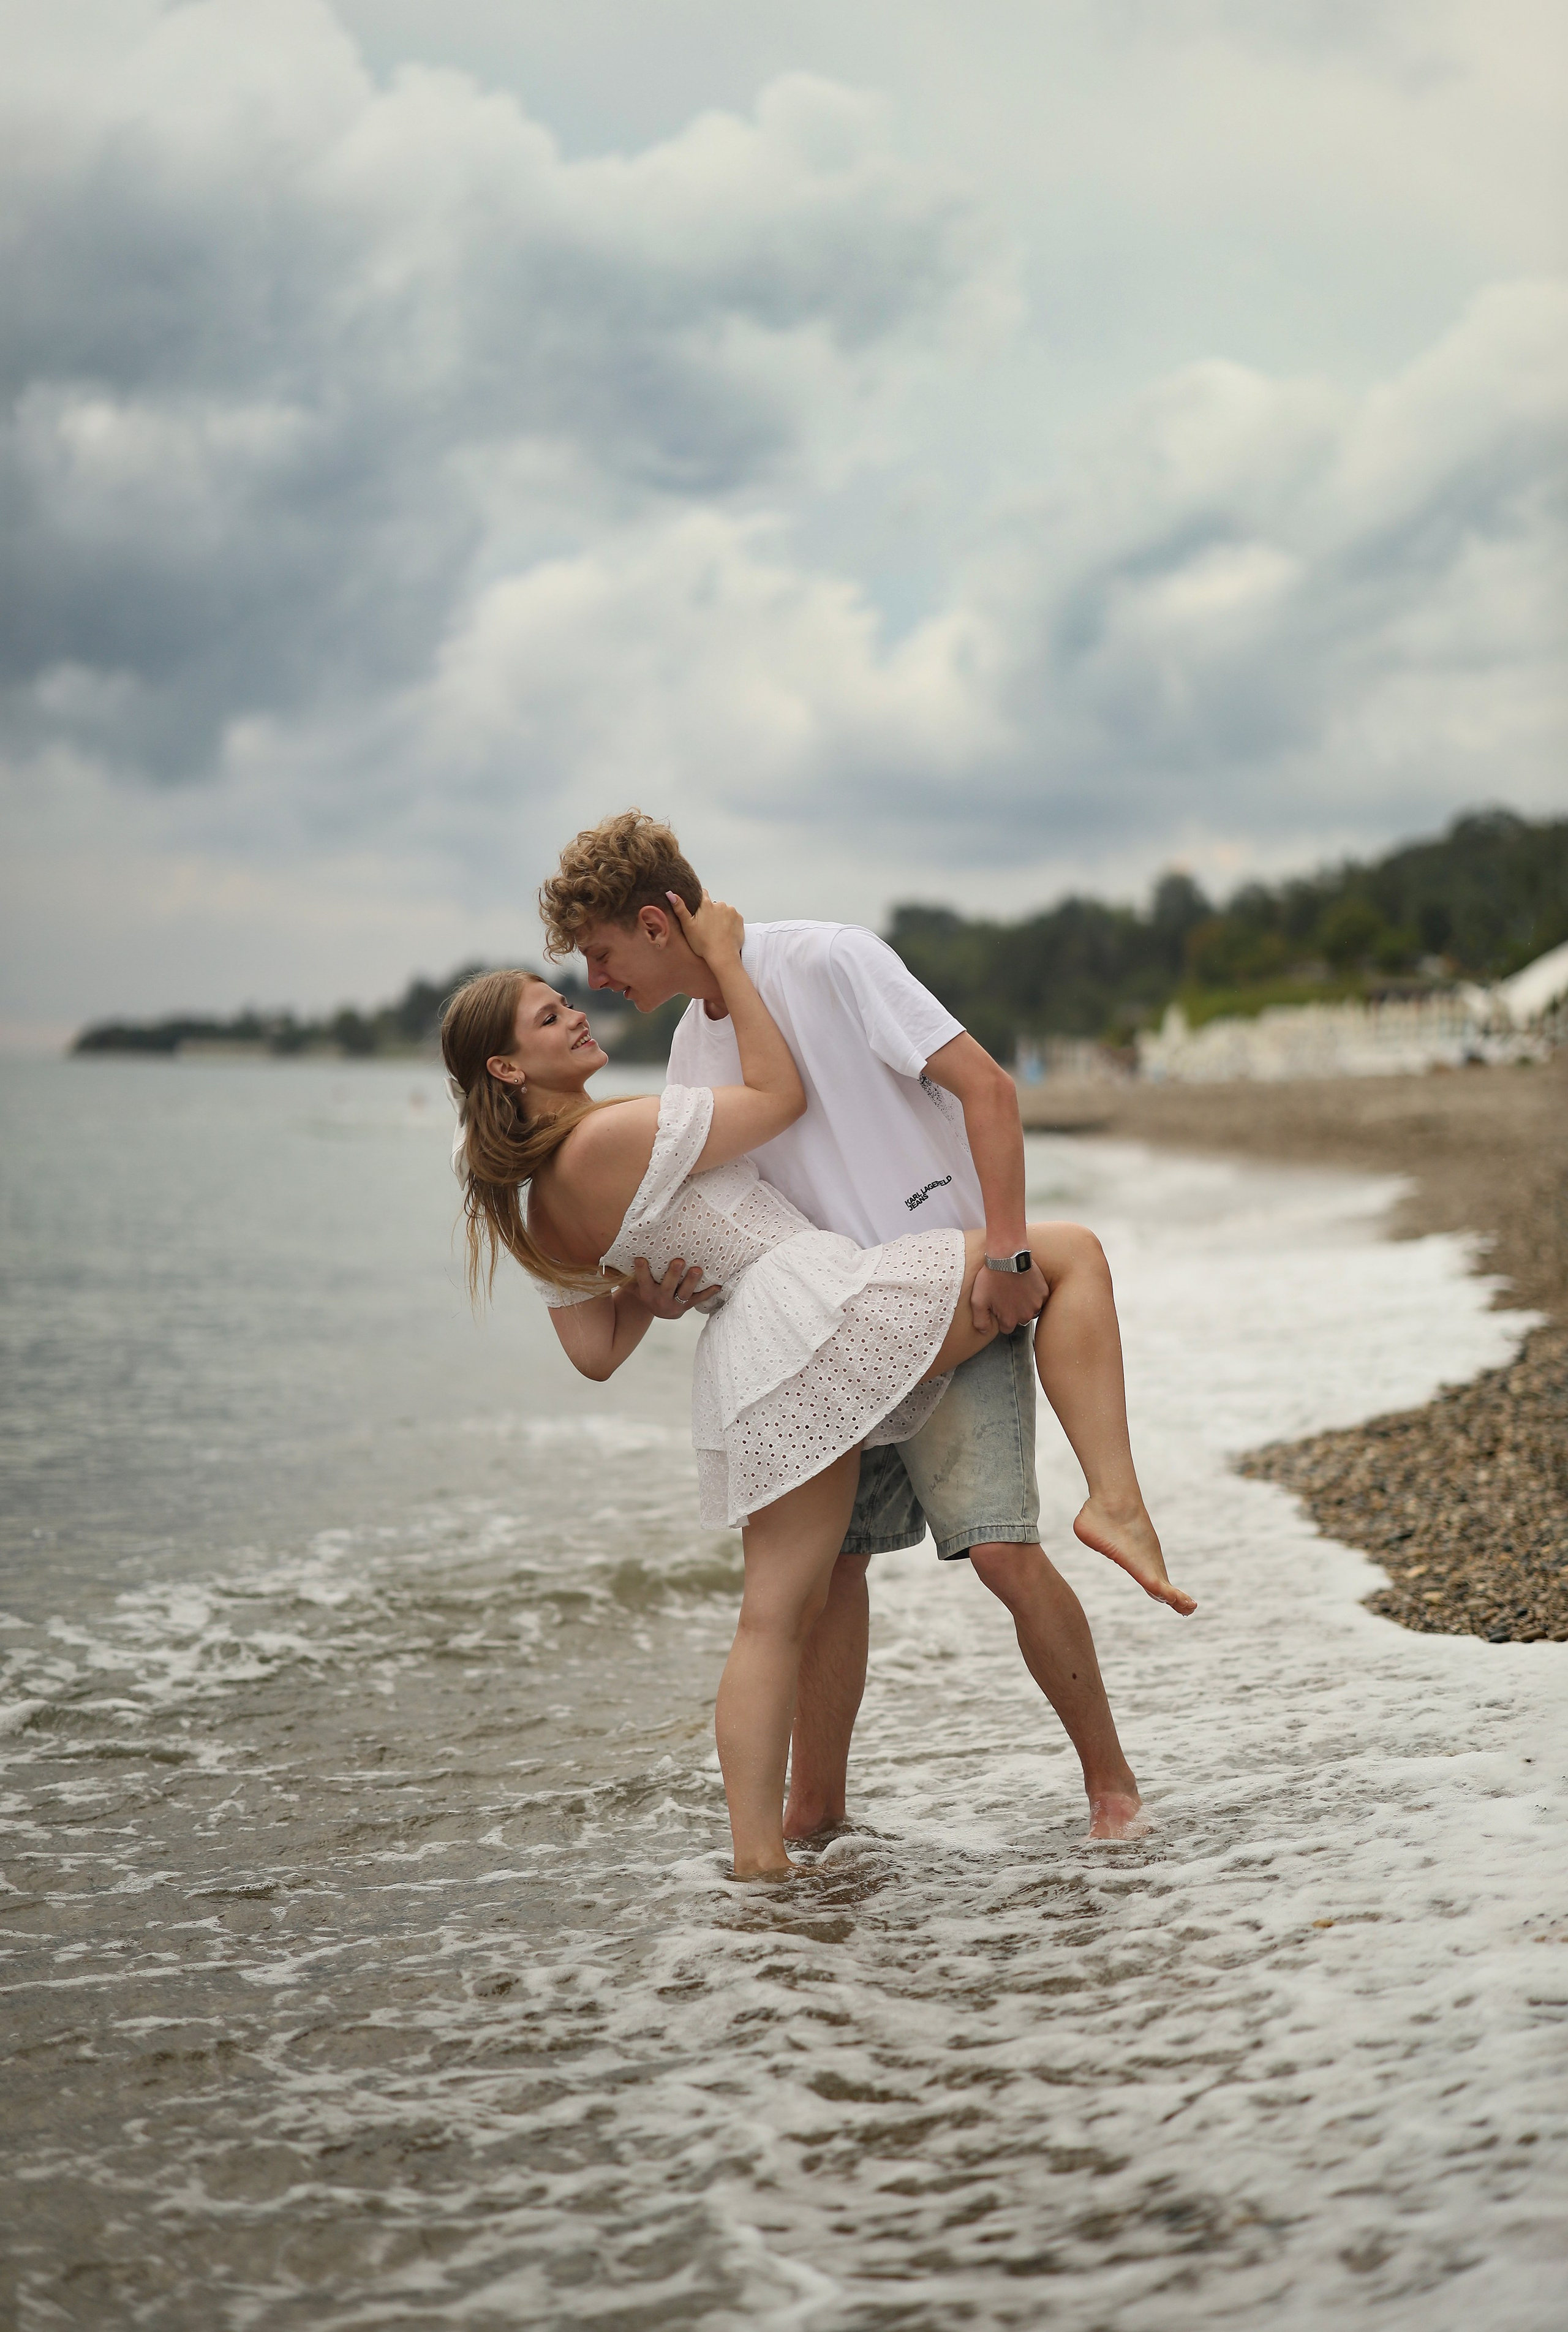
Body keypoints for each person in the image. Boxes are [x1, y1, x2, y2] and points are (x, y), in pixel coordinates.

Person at [444, 901, 1195, 1881]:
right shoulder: (619, 1132)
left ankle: (761, 1860)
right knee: (1071, 1252)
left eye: (574, 989)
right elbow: (780, 1095)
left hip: (746, 1360)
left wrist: (653, 1298)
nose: (580, 1010)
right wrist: (728, 962)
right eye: (549, 1018)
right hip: (810, 1308)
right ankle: (1117, 1499)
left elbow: (597, 1347)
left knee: (771, 1616)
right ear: (507, 1068)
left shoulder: (535, 1204)